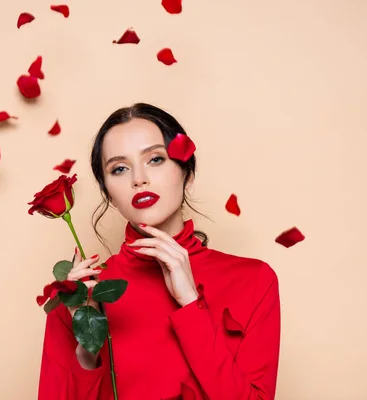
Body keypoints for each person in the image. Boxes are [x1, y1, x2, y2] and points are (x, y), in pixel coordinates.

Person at [37, 103, 281, 400]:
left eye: (155, 159)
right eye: (120, 168)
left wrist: (190, 304)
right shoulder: (81, 292)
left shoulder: (254, 281)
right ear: (109, 194)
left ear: (187, 173)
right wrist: (89, 340)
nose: (138, 179)